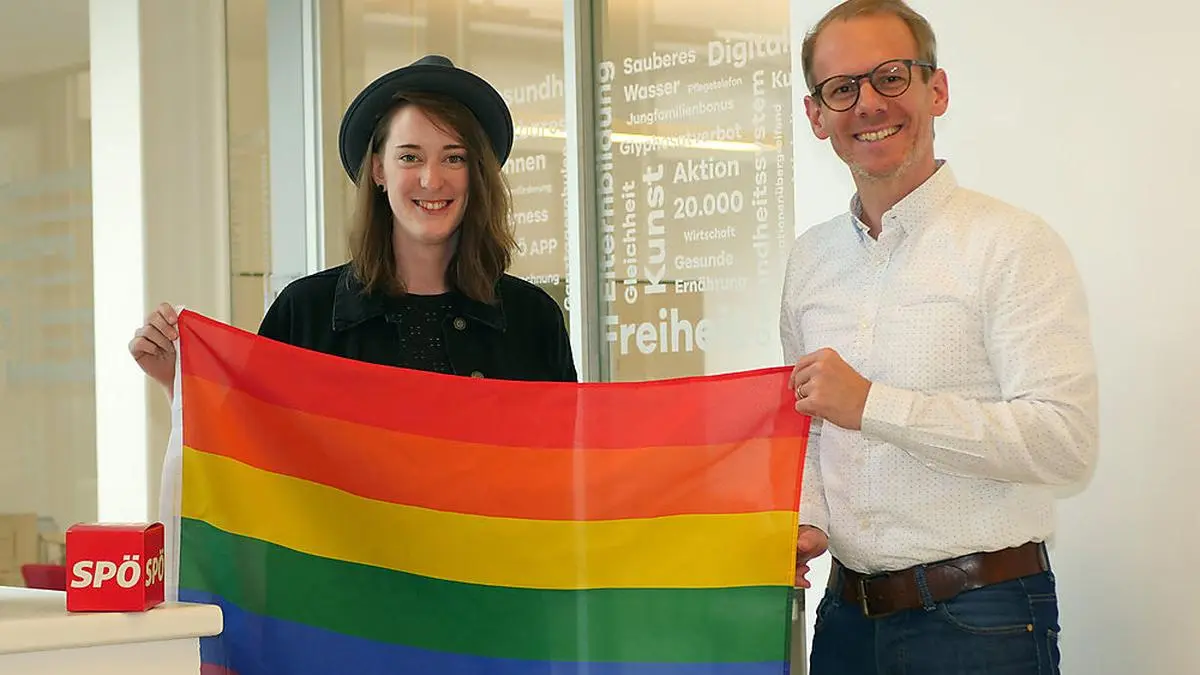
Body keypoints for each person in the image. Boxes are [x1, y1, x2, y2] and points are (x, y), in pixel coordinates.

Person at [779, 1, 1098, 673]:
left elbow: (1064, 443)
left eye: (891, 77)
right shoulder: (810, 260)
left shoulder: (1012, 244)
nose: (868, 103)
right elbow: (803, 420)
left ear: (937, 89)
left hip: (981, 619)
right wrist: (809, 519)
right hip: (843, 619)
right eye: (842, 88)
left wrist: (872, 404)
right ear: (817, 115)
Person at [129, 54, 577, 390]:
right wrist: (176, 383)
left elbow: (566, 471)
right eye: (410, 157)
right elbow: (253, 455)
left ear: (476, 174)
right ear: (379, 171)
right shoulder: (304, 313)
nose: (431, 178)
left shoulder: (532, 319)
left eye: (454, 158)